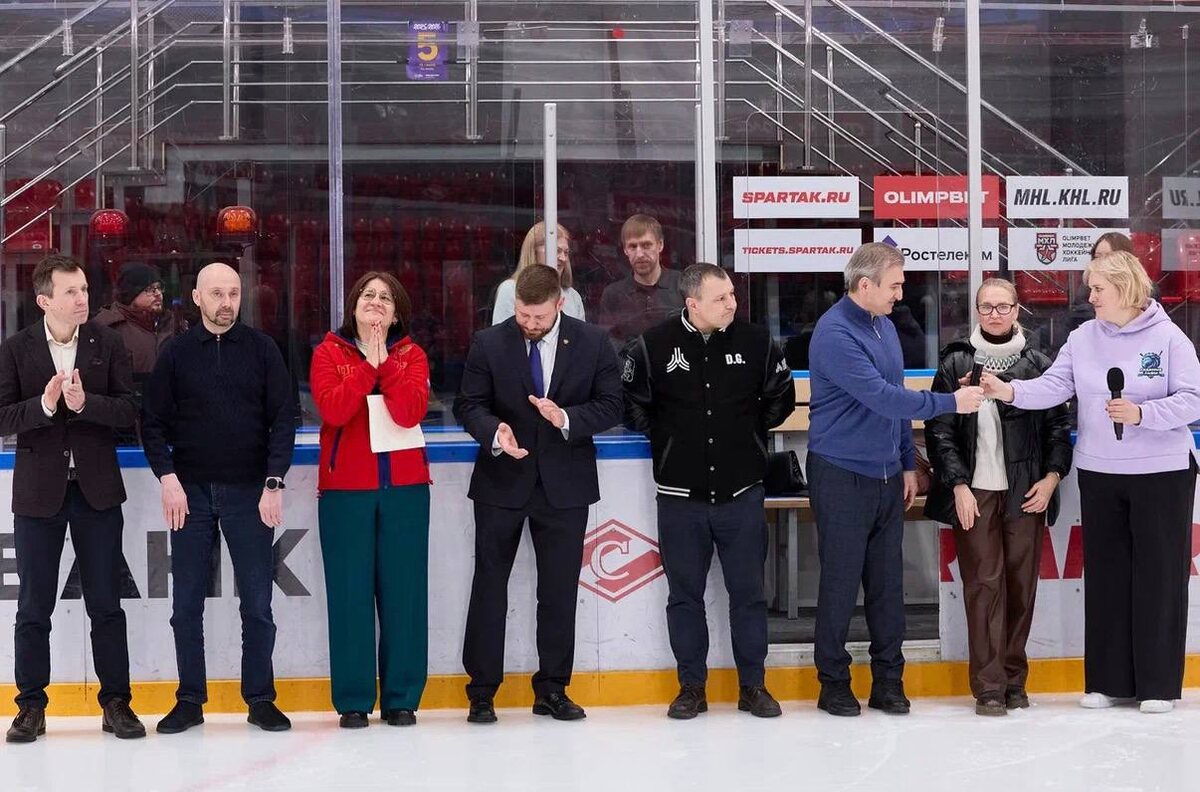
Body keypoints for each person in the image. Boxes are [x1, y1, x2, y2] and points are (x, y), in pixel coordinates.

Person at [981, 250, 1200, 715]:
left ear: (1125, 288)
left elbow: (1193, 400)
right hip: (1101, 472)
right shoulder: (1083, 338)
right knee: (1105, 577)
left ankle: (1158, 685)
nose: (1091, 296)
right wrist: (1010, 391)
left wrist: (1144, 413)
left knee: (1158, 578)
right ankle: (1107, 681)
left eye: (1098, 288)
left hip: (1161, 473)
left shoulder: (1168, 339)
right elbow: (1055, 386)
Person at [807, 242, 984, 717]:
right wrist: (951, 404)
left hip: (887, 476)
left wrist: (908, 461)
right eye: (895, 285)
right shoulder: (834, 334)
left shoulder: (883, 326)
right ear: (864, 286)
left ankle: (888, 680)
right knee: (841, 585)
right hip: (842, 475)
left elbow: (896, 404)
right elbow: (882, 398)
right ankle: (834, 682)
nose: (901, 294)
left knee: (887, 587)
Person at [622, 263, 795, 720]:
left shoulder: (757, 342)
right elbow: (631, 404)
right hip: (680, 498)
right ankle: (691, 687)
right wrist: (668, 439)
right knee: (684, 596)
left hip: (742, 494)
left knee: (749, 594)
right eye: (721, 298)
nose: (732, 303)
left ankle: (753, 686)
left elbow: (782, 397)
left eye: (733, 295)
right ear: (692, 303)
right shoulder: (652, 345)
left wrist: (750, 436)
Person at [454, 264, 623, 724]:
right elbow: (468, 404)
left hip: (565, 486)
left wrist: (566, 418)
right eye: (524, 316)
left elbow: (612, 403)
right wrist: (494, 431)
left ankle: (552, 688)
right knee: (489, 586)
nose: (530, 325)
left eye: (538, 317)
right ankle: (482, 691)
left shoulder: (591, 341)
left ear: (559, 304)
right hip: (501, 482)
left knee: (558, 590)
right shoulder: (490, 342)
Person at [141, 262, 296, 734]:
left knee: (257, 604)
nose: (226, 302)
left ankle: (260, 698)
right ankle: (189, 699)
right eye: (216, 294)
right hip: (190, 495)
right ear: (196, 297)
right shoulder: (176, 353)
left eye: (233, 293)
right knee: (185, 605)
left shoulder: (262, 349)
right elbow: (151, 423)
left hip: (250, 494)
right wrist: (167, 476)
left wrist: (274, 481)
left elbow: (283, 418)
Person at [0, 254, 144, 742]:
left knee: (106, 603)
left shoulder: (108, 342)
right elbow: (1, 417)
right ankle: (30, 706)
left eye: (84, 289)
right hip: (39, 495)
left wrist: (87, 405)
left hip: (97, 492)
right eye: (71, 292)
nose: (83, 298)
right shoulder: (16, 349)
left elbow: (129, 411)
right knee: (33, 607)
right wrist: (43, 406)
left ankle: (117, 703)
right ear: (45, 300)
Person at [924, 277, 1073, 716]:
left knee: (1021, 586)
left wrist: (1051, 478)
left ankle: (1013, 678)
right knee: (983, 586)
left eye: (1002, 306)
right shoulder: (955, 363)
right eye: (986, 307)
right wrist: (958, 484)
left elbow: (1057, 430)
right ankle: (988, 686)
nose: (994, 314)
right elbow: (941, 431)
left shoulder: (1039, 362)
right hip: (976, 492)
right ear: (976, 311)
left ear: (1016, 309)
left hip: (1026, 492)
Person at [310, 271, 431, 729]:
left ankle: (401, 697)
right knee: (349, 596)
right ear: (353, 306)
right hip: (345, 493)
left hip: (405, 492)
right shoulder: (328, 353)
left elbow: (408, 411)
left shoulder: (412, 355)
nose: (376, 302)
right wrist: (367, 366)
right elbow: (335, 410)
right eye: (368, 295)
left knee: (404, 595)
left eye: (386, 298)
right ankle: (354, 699)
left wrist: (388, 363)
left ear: (397, 311)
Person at [598, 214, 684, 346]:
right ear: (625, 250)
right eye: (633, 247)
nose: (639, 254)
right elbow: (608, 346)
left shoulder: (683, 285)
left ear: (660, 245)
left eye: (646, 245)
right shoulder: (613, 294)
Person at [93, 261, 182, 386]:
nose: (158, 294)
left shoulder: (171, 323)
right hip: (130, 402)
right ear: (131, 293)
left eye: (159, 287)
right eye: (149, 289)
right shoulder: (107, 327)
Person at [492, 221, 586, 324]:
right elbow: (501, 337)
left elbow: (581, 338)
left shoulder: (573, 296)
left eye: (566, 253)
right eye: (556, 251)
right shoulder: (510, 289)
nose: (563, 258)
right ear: (533, 251)